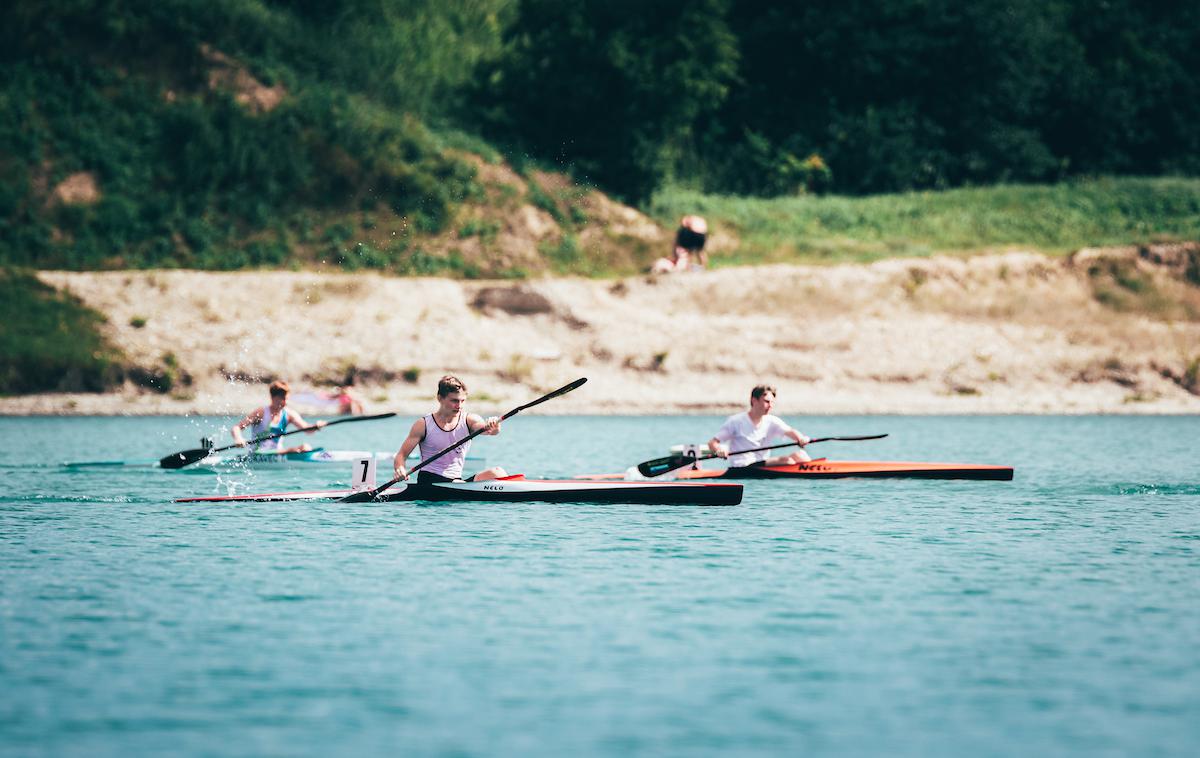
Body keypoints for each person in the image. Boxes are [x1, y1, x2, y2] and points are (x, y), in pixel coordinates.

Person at [392, 375, 508, 483]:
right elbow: (401, 455)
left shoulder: (469, 420)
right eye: (454, 401)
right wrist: (400, 469)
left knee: (498, 472)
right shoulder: (423, 424)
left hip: (455, 482)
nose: (459, 406)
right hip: (429, 480)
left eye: (462, 401)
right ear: (440, 398)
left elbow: (490, 430)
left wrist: (495, 426)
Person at [708, 384, 811, 470]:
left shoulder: (772, 421)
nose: (770, 405)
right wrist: (719, 450)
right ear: (754, 401)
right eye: (766, 401)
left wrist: (800, 438)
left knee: (802, 455)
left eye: (772, 402)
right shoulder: (736, 421)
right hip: (742, 466)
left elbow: (790, 431)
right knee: (787, 461)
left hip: (762, 465)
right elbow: (713, 443)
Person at [232, 380, 326, 453]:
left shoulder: (289, 414)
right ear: (272, 398)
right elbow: (236, 428)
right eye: (281, 399)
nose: (284, 402)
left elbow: (306, 429)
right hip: (258, 454)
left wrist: (316, 426)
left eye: (286, 399)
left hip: (278, 452)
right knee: (303, 448)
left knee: (306, 447)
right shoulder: (261, 412)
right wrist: (238, 439)